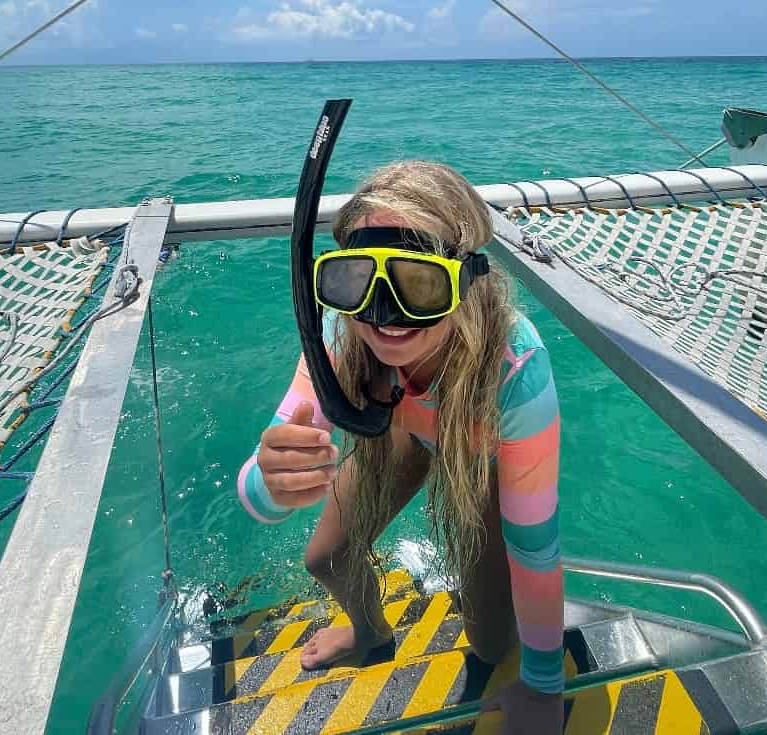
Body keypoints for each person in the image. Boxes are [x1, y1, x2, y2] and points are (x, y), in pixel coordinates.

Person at [236, 160, 563, 733]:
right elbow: (257, 497)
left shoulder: (514, 367)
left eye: (418, 282)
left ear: (465, 279)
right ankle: (368, 631)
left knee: (488, 641)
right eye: (355, 279)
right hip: (398, 431)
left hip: (477, 448)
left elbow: (536, 547)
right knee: (326, 558)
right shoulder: (342, 340)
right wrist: (275, 478)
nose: (385, 314)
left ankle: (495, 647)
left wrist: (542, 687)